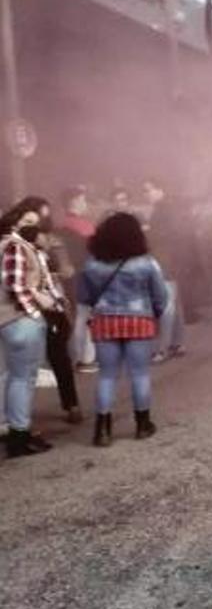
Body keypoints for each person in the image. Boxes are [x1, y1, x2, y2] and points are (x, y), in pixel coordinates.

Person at [78, 213, 169, 446]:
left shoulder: (92, 264)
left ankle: (102, 431)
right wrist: (154, 314)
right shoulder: (147, 262)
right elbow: (161, 295)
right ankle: (142, 425)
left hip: (104, 322)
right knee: (139, 374)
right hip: (139, 321)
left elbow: (85, 297)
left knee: (107, 376)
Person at [0, 202, 63, 457]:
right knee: (23, 379)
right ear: (15, 222)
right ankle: (19, 435)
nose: (32, 227)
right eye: (27, 222)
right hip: (20, 321)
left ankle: (17, 431)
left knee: (15, 377)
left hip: (12, 321)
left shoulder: (9, 245)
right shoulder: (15, 246)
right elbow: (15, 285)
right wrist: (36, 312)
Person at [24, 197, 84, 424]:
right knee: (26, 365)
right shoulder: (16, 246)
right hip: (28, 308)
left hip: (50, 307)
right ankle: (19, 418)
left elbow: (68, 271)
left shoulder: (53, 242)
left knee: (57, 356)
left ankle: (71, 404)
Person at [143, 179, 186, 364]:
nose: (146, 194)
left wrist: (147, 231)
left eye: (149, 190)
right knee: (174, 305)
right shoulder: (168, 208)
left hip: (165, 262)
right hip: (172, 261)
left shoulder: (163, 210)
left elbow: (164, 235)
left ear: (160, 190)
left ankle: (163, 349)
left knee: (166, 306)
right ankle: (177, 343)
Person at [59, 186, 97, 373]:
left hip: (69, 276)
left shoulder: (61, 225)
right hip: (85, 274)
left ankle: (78, 357)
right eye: (83, 200)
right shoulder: (84, 226)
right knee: (84, 316)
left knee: (75, 315)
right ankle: (84, 359)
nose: (85, 204)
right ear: (73, 202)